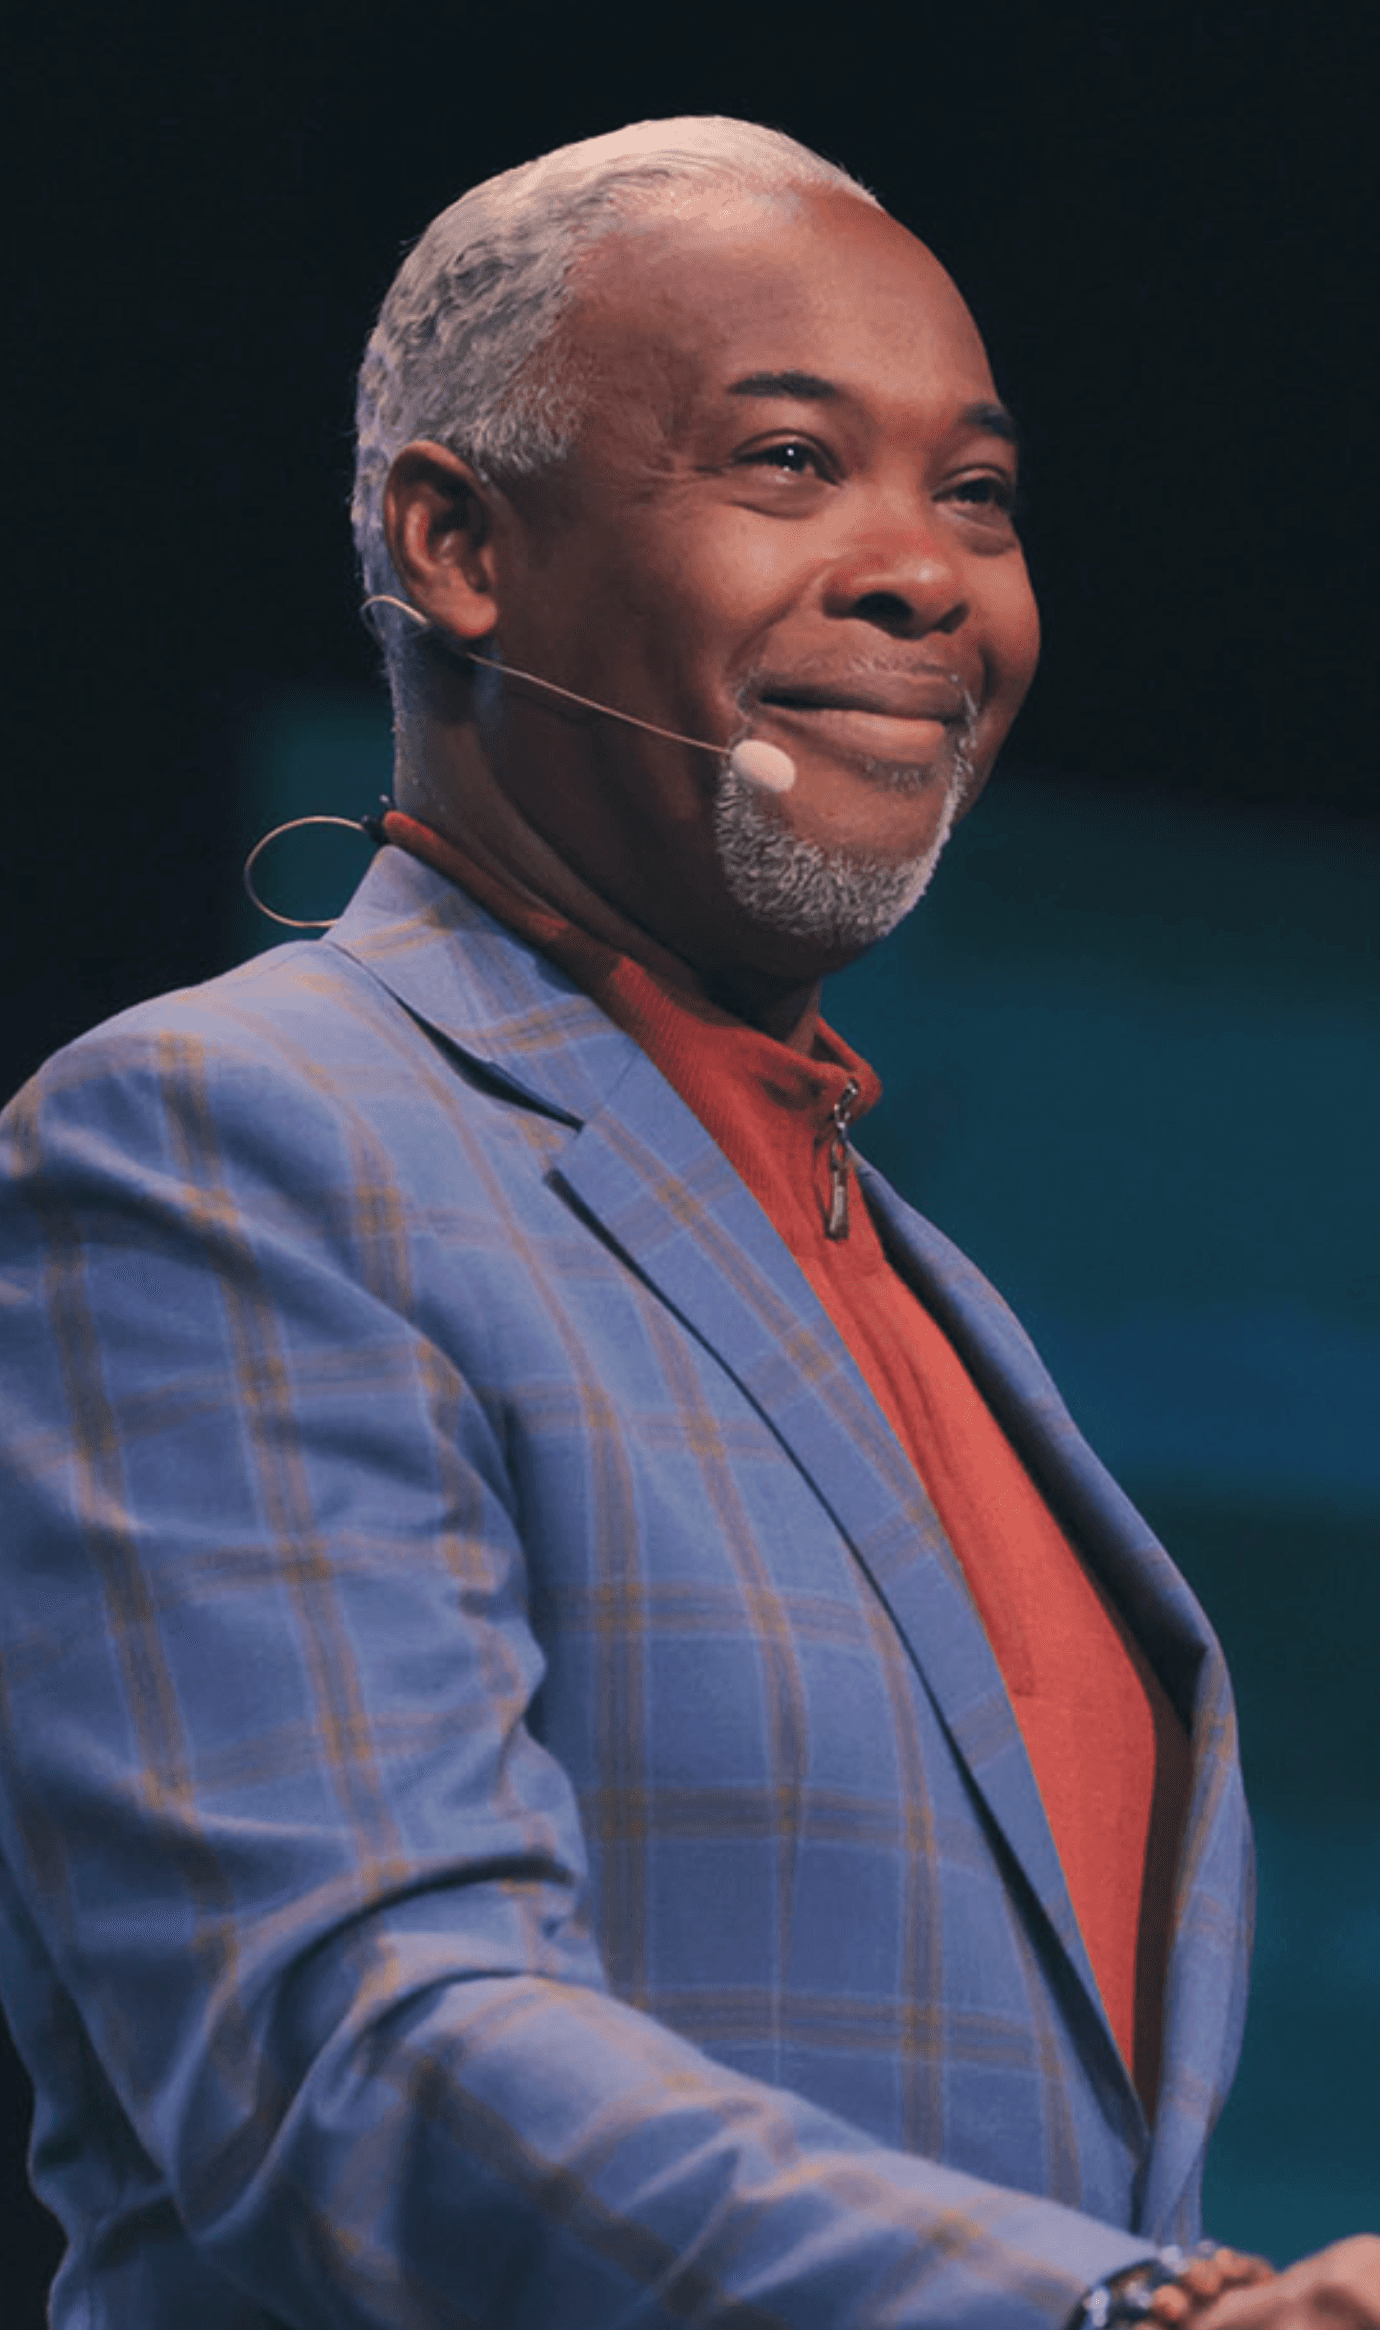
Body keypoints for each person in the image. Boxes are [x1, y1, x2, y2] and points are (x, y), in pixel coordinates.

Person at [0, 116, 1374, 2330]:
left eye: (981, 492)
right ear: (456, 543)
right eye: (788, 462)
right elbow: (352, 2051)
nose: (928, 569)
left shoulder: (916, 1283)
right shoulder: (232, 1141)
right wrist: (1128, 2312)